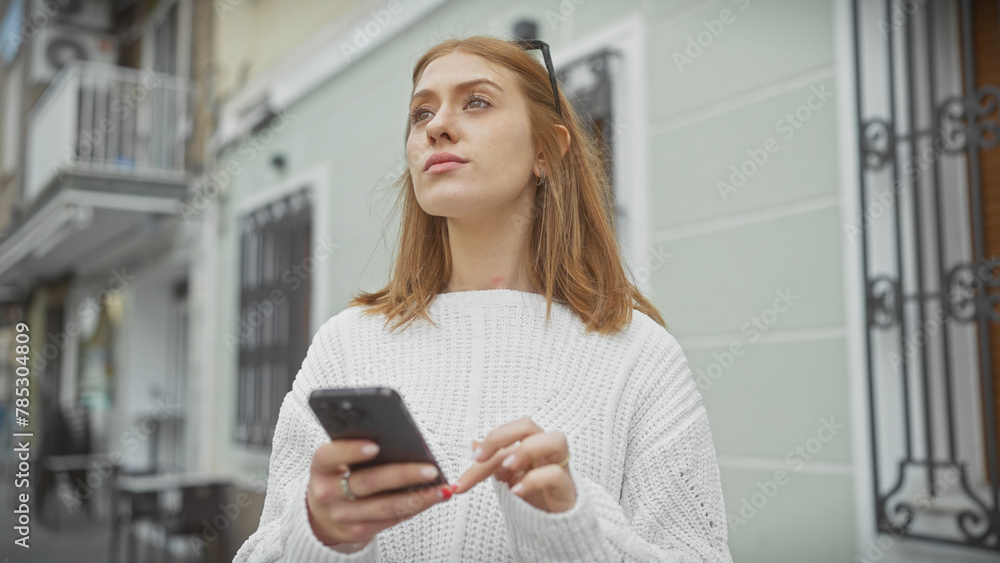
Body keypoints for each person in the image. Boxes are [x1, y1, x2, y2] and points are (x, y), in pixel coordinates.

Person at [235, 35, 733, 562]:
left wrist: (571, 526)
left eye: (476, 101)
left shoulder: (640, 355)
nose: (437, 126)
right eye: (421, 112)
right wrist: (320, 533)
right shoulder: (347, 344)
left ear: (548, 150)